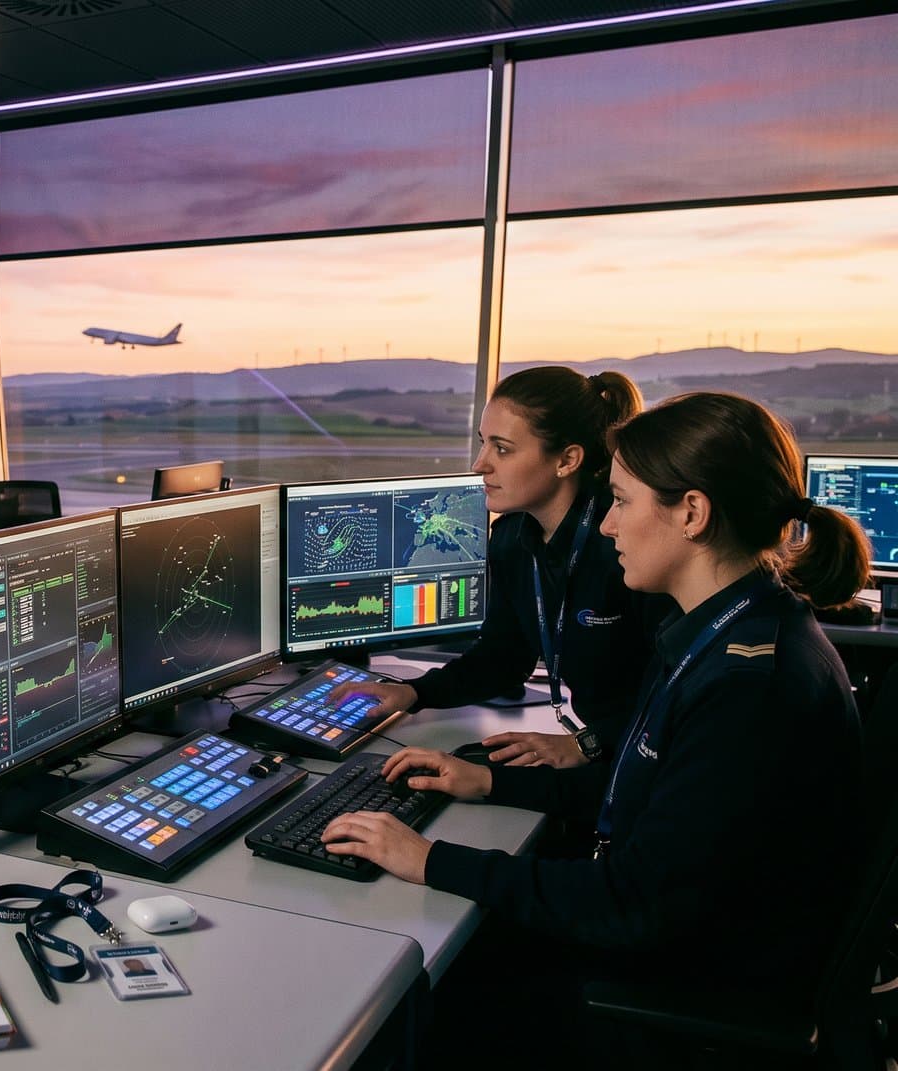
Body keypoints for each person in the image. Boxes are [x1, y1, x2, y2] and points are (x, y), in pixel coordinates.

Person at [322, 392, 867, 1062]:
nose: (607, 526)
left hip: (682, 993)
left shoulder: (749, 686)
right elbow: (642, 793)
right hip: (685, 946)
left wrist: (428, 858)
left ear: (692, 513)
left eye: (622, 501)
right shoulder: (730, 630)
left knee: (412, 995)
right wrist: (489, 782)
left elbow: (632, 900)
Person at [336, 367, 655, 767]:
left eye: (502, 449)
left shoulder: (623, 545)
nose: (479, 464)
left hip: (643, 759)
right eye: (483, 444)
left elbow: (673, 696)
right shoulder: (512, 537)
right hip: (602, 747)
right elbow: (503, 659)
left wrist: (586, 744)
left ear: (567, 459)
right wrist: (414, 693)